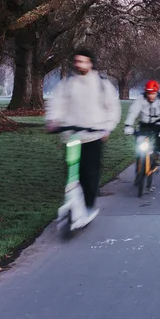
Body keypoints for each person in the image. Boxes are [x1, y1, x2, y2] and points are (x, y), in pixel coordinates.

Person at [45, 47, 121, 218]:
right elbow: (57, 103)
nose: (78, 64)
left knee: (90, 174)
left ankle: (88, 206)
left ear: (90, 63)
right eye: (76, 61)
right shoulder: (67, 83)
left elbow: (113, 108)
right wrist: (53, 120)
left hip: (93, 136)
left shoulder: (102, 84)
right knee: (72, 173)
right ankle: (72, 203)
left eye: (82, 61)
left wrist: (107, 127)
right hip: (72, 136)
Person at [124, 79, 160, 162]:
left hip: (158, 124)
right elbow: (133, 112)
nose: (151, 96)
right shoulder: (140, 99)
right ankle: (140, 161)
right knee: (139, 144)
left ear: (156, 92)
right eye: (149, 93)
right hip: (144, 124)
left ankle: (157, 155)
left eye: (153, 93)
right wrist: (128, 125)